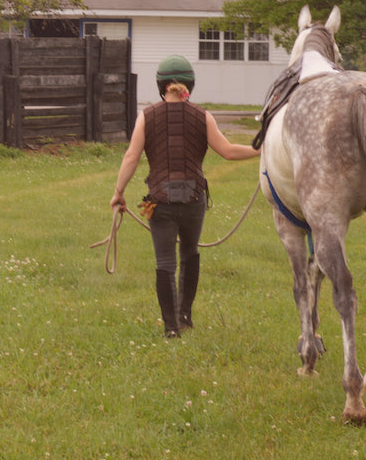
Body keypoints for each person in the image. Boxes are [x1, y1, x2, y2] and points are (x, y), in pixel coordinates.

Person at [110, 55, 260, 337]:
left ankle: (170, 329)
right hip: (194, 202)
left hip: (159, 202)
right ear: (189, 83)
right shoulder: (203, 116)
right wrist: (260, 150)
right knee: (190, 253)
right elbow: (227, 151)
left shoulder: (146, 116)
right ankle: (185, 316)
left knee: (165, 263)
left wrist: (119, 193)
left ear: (161, 85)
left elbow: (131, 157)